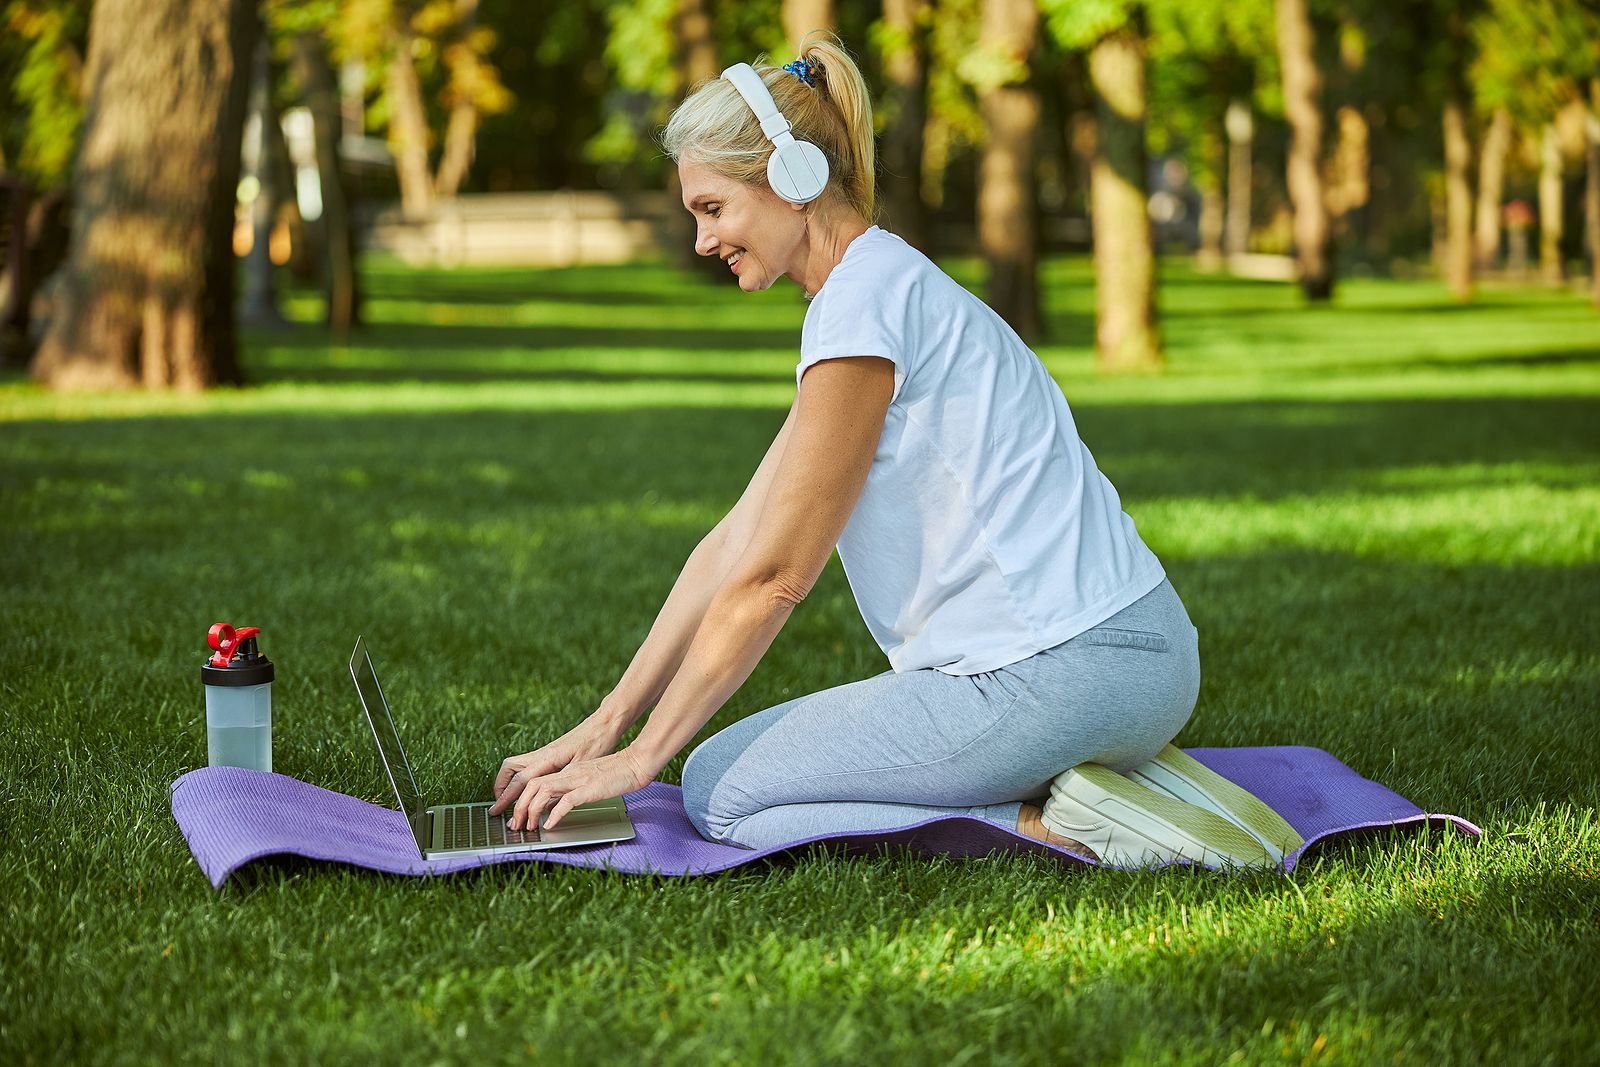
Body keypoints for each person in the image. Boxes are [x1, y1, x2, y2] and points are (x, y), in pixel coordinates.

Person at [488, 33, 1299, 869]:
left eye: (712, 208)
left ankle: (1076, 825)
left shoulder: (861, 314)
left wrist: (640, 761)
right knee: (722, 777)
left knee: (723, 792)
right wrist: (606, 722)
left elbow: (773, 578)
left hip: (1057, 674)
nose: (702, 239)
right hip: (1129, 658)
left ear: (793, 178)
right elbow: (733, 541)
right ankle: (1121, 783)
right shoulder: (880, 292)